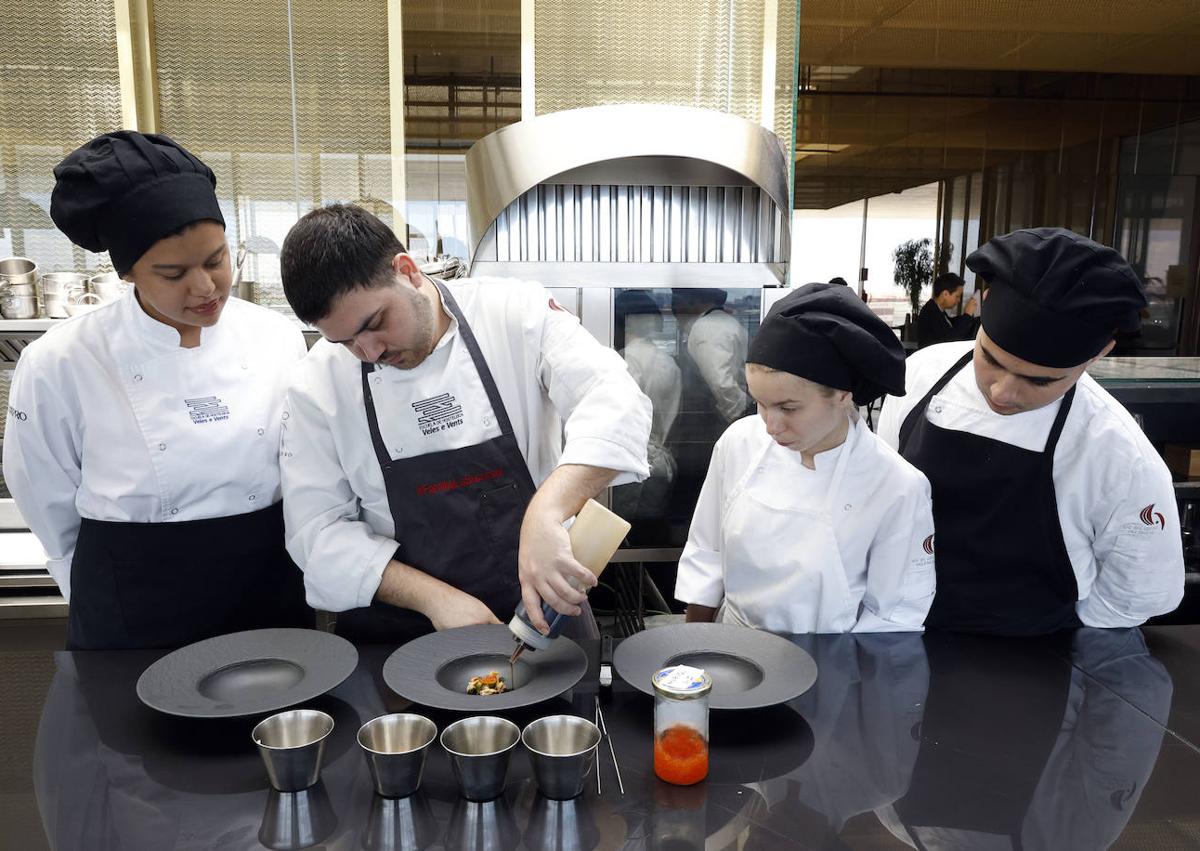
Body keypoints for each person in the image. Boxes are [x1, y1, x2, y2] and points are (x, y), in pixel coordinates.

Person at [277, 204, 652, 643]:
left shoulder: (514, 312)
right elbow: (317, 534)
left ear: (407, 270)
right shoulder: (316, 384)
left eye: (376, 323)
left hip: (541, 611)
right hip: (404, 633)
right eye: (346, 343)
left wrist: (547, 511)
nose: (370, 351)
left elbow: (616, 398)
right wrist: (436, 599)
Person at [2, 131, 311, 649]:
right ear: (126, 272)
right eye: (173, 272)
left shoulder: (277, 337)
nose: (206, 288)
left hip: (266, 589)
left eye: (216, 260)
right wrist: (91, 591)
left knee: (274, 728)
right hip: (132, 601)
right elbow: (43, 494)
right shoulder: (62, 360)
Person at [877, 227, 1185, 635]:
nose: (1002, 392)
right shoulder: (921, 373)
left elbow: (1142, 592)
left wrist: (1051, 642)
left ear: (1098, 354)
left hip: (1031, 657)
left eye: (1039, 381)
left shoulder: (1118, 453)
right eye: (989, 358)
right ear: (984, 305)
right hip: (899, 630)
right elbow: (883, 495)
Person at [675, 283, 936, 633]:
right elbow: (706, 553)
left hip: (832, 666)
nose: (770, 424)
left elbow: (893, 617)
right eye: (760, 403)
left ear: (844, 396)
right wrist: (696, 646)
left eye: (788, 408)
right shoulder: (739, 444)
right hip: (734, 650)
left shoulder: (896, 486)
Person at [612, 290, 680, 520]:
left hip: (629, 468)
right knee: (648, 535)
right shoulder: (669, 363)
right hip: (662, 465)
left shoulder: (624, 361)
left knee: (624, 541)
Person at [916, 271, 978, 349]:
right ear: (945, 294)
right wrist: (967, 315)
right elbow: (950, 340)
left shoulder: (937, 310)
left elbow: (950, 324)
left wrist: (968, 316)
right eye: (957, 296)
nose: (959, 300)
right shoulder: (930, 313)